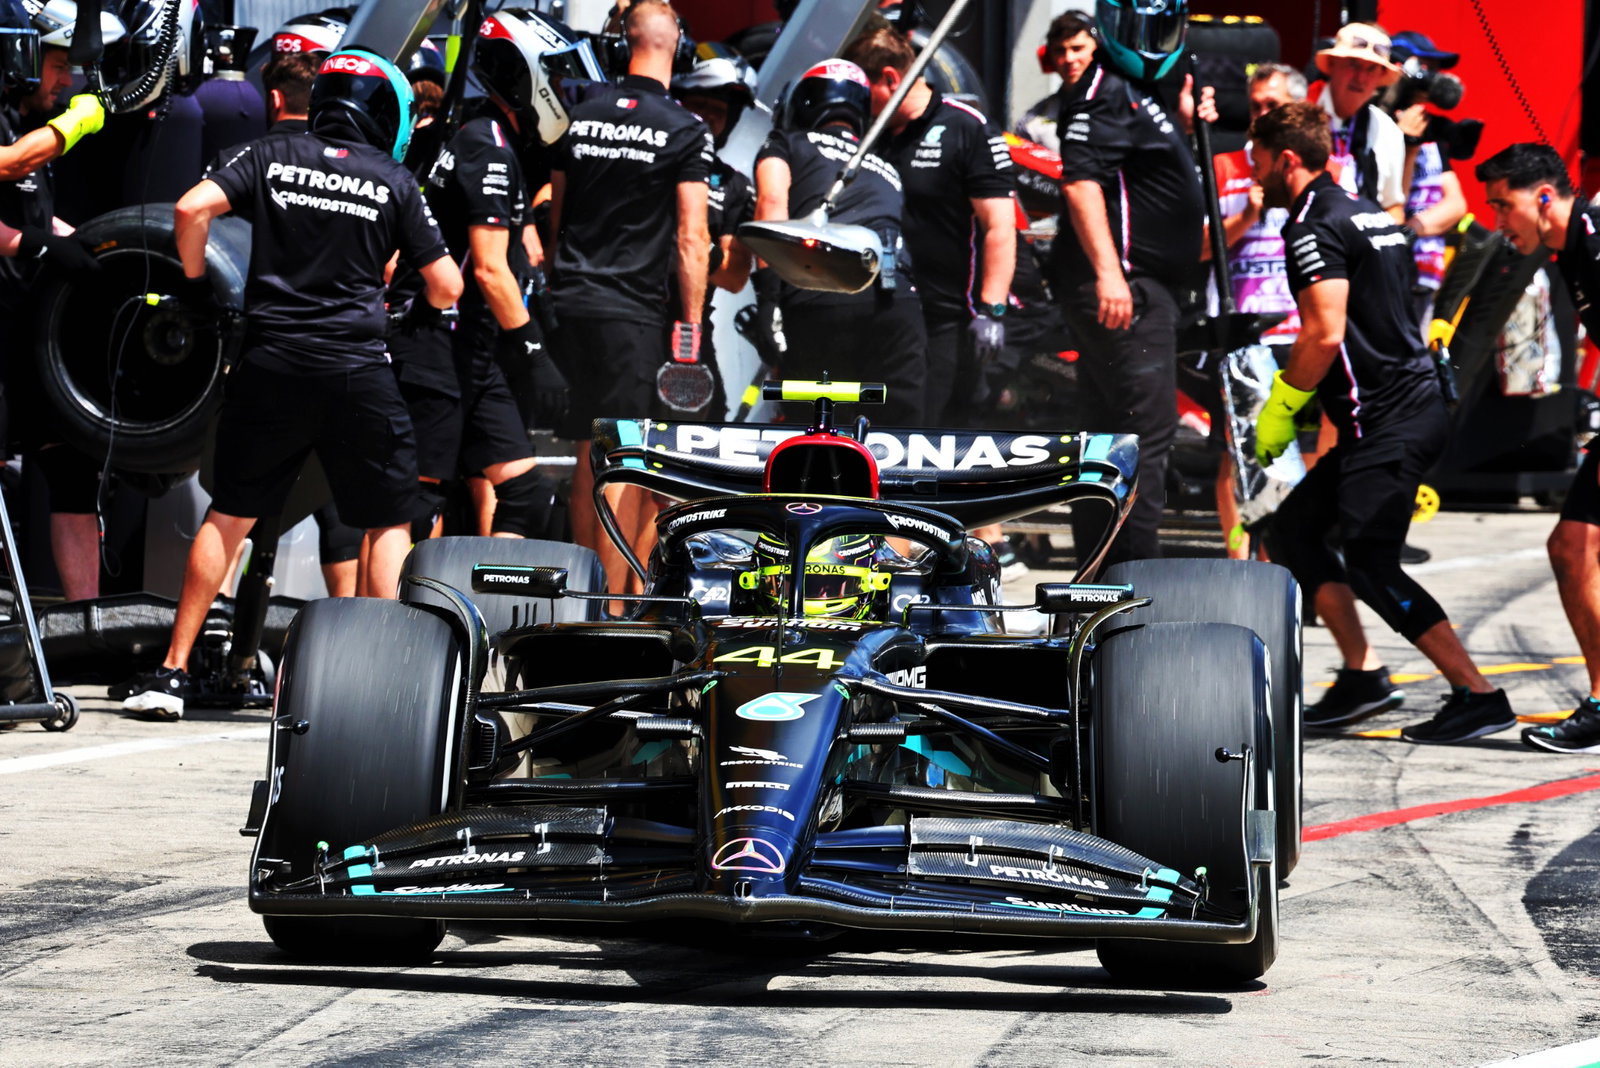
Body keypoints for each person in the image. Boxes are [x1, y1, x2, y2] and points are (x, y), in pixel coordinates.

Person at [120, 48, 463, 720]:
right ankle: (376, 684)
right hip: (357, 368)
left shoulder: (268, 155)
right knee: (386, 517)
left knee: (230, 514)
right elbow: (448, 284)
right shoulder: (394, 180)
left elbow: (191, 212)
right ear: (381, 112)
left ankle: (171, 674)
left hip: (271, 360)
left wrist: (194, 284)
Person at [1250, 101, 1512, 743]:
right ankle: (1364, 674)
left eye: (1258, 159)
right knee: (1294, 533)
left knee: (1371, 562)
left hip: (1389, 418)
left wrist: (1282, 407)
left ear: (1286, 158)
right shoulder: (1366, 209)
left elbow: (1324, 332)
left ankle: (1477, 695)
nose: (1253, 173)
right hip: (1400, 408)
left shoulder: (1312, 225)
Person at [393, 7, 574, 545]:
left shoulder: (487, 135)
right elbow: (491, 269)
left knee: (525, 491)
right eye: (556, 76)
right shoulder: (485, 143)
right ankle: (389, 624)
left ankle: (485, 621)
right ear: (525, 72)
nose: (562, 89)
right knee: (417, 504)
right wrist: (533, 348)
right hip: (437, 344)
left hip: (472, 348)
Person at [548, 0, 711, 595]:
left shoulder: (580, 114)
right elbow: (693, 238)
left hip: (570, 305)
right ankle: (610, 605)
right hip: (633, 315)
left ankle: (577, 593)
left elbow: (558, 217)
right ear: (676, 49)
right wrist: (689, 327)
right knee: (624, 459)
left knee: (584, 459)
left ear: (625, 43)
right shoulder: (684, 127)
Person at [843, 21, 1015, 560]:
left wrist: (991, 307)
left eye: (862, 90)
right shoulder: (871, 136)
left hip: (948, 316)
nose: (856, 104)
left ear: (890, 77)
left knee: (941, 444)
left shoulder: (964, 127)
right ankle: (887, 555)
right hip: (884, 313)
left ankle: (973, 555)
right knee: (886, 440)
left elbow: (999, 225)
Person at [1053, 0, 1203, 565]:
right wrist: (1110, 272)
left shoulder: (1142, 91)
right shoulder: (1103, 88)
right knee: (1145, 440)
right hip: (1126, 290)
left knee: (1111, 439)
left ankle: (1101, 581)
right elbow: (1081, 183)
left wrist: (1187, 120)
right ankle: (1138, 584)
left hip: (1141, 287)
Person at [1476, 143, 1600, 753]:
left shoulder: (1596, 241)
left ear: (1544, 196)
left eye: (1505, 205)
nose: (1498, 221)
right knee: (1572, 547)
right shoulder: (1569, 249)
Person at [0, 0, 110, 601]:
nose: (65, 81)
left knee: (71, 470)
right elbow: (13, 166)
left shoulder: (22, 118)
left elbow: (35, 209)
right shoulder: (14, 131)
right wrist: (76, 123)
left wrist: (102, 246)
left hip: (34, 333)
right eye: (58, 65)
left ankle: (86, 623)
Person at [753, 58, 927, 425]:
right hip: (898, 303)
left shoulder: (786, 142)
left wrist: (769, 299)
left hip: (820, 296)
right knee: (899, 439)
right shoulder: (885, 167)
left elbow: (771, 203)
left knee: (814, 431)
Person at [1201, 62, 1307, 560]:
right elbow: (1199, 248)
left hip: (1299, 327)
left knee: (1290, 451)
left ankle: (1280, 560)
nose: (1261, 112)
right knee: (1235, 452)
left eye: (1274, 104)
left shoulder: (1315, 167)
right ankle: (1237, 558)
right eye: (1257, 103)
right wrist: (1247, 215)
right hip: (1242, 331)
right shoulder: (1223, 165)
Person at [670, 43, 758, 421]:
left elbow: (736, 276)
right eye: (699, 106)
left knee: (704, 441)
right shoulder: (645, 155)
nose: (707, 118)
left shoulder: (735, 185)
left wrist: (692, 244)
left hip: (692, 333)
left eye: (718, 112)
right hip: (628, 320)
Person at [1386, 30, 1470, 334]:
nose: (1430, 79)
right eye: (1424, 68)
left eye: (1435, 70)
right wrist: (1405, 146)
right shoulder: (1379, 123)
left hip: (1423, 278)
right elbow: (1391, 199)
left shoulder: (1430, 130)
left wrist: (1410, 230)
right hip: (1388, 277)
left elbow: (1457, 203)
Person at [1314, 22, 1407, 221]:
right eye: (1353, 64)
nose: (1361, 77)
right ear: (1332, 64)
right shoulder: (1298, 115)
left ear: (1381, 76)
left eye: (1372, 68)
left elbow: (1393, 206)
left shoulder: (1387, 131)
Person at [1015, 10, 1097, 154]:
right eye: (1060, 51)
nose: (1069, 59)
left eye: (1077, 48)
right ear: (1048, 58)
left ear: (1099, 50)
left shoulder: (1127, 108)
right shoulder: (1033, 122)